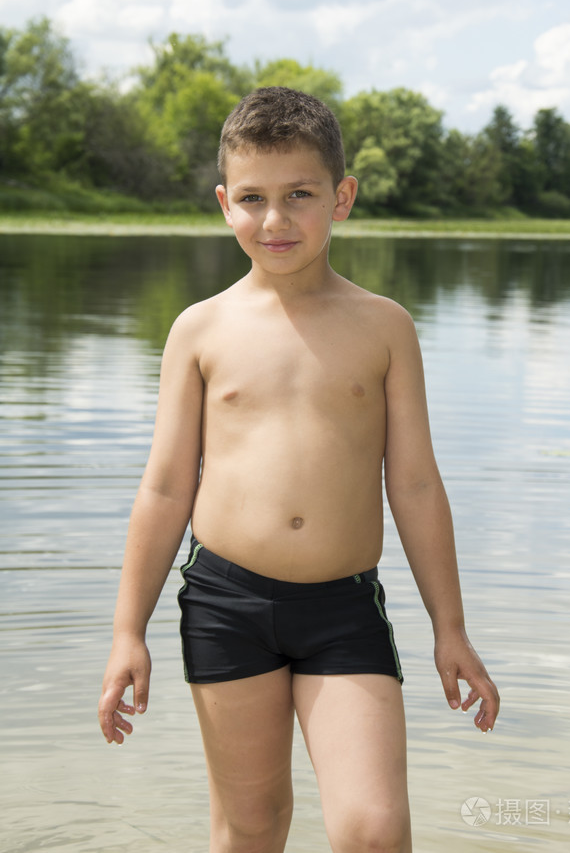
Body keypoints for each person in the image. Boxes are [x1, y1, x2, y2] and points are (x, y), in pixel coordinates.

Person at [98, 86, 499, 853]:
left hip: (343, 612)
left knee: (374, 829)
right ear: (224, 203)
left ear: (341, 197)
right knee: (251, 828)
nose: (274, 220)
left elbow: (414, 484)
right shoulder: (199, 330)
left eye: (299, 195)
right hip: (225, 602)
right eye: (253, 197)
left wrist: (451, 628)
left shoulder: (385, 327)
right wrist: (128, 630)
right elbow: (165, 486)